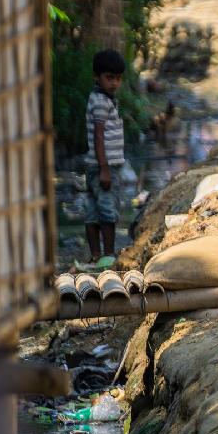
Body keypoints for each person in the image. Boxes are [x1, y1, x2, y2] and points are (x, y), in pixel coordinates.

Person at [83, 49, 127, 269]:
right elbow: (99, 134)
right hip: (104, 166)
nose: (114, 83)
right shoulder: (101, 101)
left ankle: (94, 255)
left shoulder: (101, 98)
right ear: (97, 77)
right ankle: (108, 256)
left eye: (118, 78)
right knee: (108, 211)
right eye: (110, 78)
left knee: (93, 210)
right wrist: (105, 169)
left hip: (94, 165)